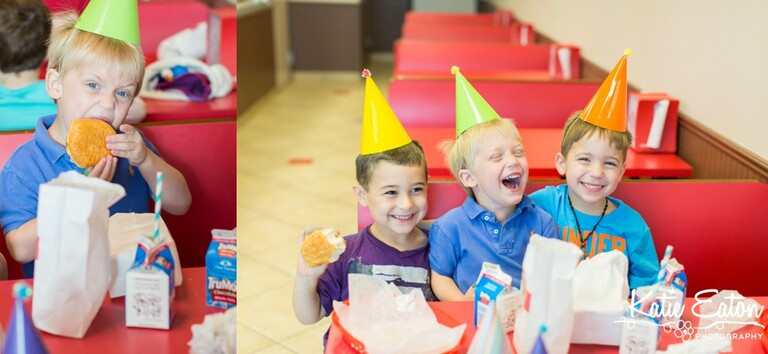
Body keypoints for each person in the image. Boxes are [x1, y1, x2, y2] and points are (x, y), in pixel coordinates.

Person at [0, 1, 191, 278]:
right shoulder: (25, 164)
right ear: (55, 84)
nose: (108, 103)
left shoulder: (130, 149)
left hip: (130, 287)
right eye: (93, 85)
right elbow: (19, 249)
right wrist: (81, 197)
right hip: (62, 300)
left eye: (122, 93)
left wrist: (147, 160)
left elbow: (181, 204)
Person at [292, 70, 436, 346]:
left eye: (416, 189)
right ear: (362, 195)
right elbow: (308, 315)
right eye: (391, 192)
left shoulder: (440, 246)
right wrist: (305, 278)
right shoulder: (347, 253)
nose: (406, 204)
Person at [530, 51, 659, 290]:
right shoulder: (541, 205)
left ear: (621, 171)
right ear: (562, 163)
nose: (597, 172)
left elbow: (646, 292)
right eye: (585, 159)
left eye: (609, 163)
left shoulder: (633, 227)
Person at [429, 67, 559, 301]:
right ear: (469, 178)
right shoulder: (449, 228)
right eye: (496, 157)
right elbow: (440, 276)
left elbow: (551, 278)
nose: (513, 161)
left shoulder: (542, 223)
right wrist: (461, 304)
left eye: (518, 152)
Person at [0, 0, 145, 131]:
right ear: (47, 48)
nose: (108, 103)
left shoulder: (66, 89)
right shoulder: (65, 91)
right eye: (93, 85)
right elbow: (139, 110)